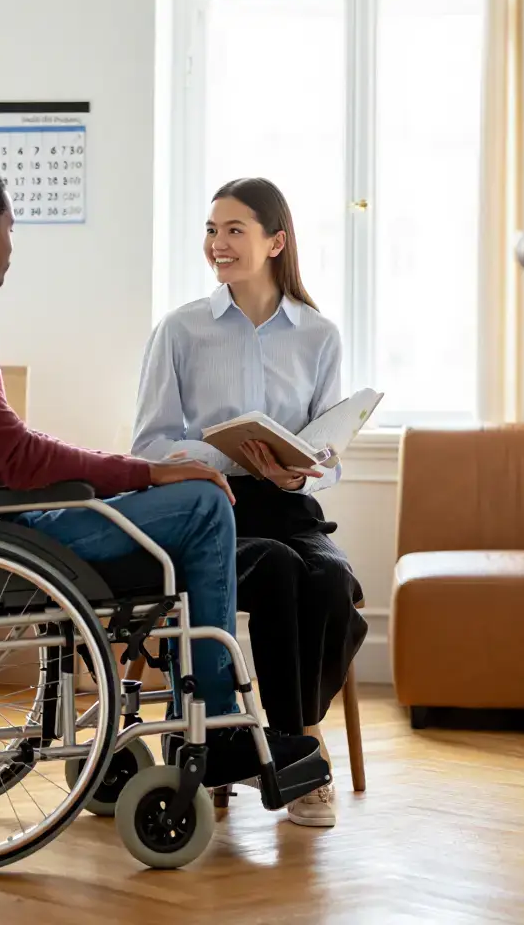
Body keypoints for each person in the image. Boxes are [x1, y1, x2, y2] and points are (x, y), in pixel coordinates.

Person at [0, 160, 319, 789]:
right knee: (202, 502)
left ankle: (213, 720)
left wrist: (136, 474)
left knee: (191, 495)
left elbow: (13, 449)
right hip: (0, 542)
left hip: (0, 528)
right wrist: (143, 472)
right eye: (8, 229)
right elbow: (19, 458)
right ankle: (218, 725)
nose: (10, 246)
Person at [132, 176, 368, 827]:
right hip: (211, 509)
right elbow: (149, 444)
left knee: (329, 579)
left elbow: (329, 449)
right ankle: (291, 754)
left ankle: (291, 734)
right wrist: (232, 458)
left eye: (235, 230)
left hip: (290, 505)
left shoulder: (319, 335)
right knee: (282, 571)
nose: (218, 244)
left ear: (276, 242)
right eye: (212, 230)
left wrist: (301, 474)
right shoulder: (180, 330)